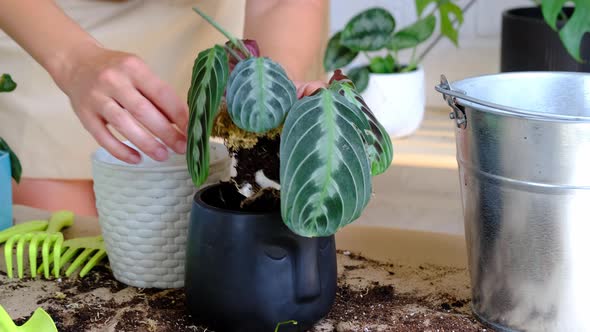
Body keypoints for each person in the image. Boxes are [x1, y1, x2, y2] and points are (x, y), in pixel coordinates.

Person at [0, 0, 328, 216]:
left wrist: (273, 81)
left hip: (199, 33)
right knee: (59, 259)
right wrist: (72, 60)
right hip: (45, 32)